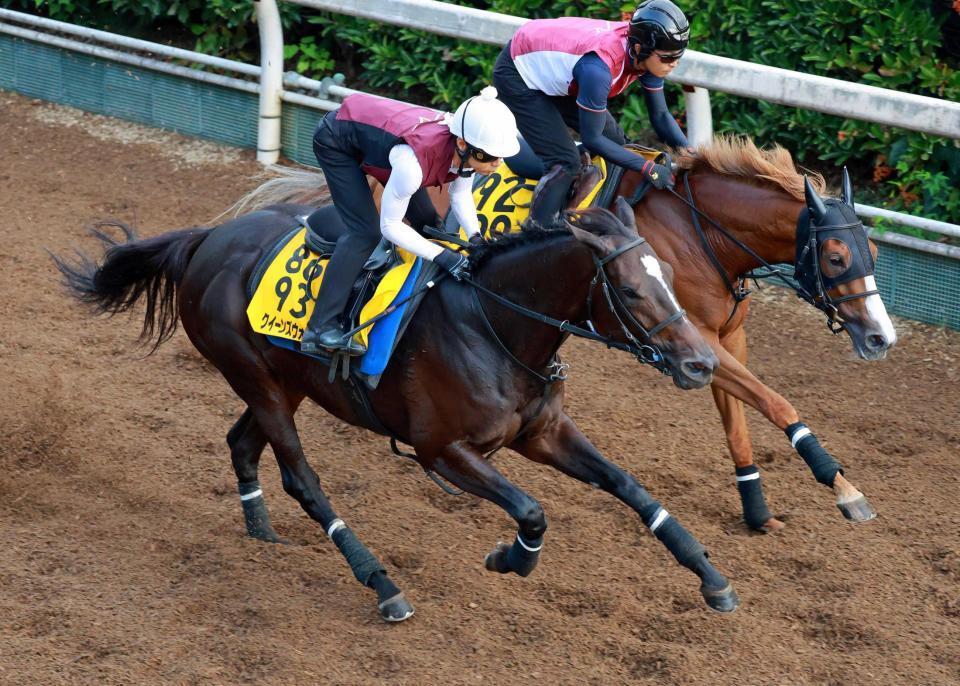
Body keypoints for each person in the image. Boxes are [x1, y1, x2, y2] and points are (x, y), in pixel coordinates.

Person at [301, 87, 521, 356]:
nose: (497, 163)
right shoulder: (412, 165)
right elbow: (389, 226)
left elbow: (461, 195)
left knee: (430, 225)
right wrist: (442, 256)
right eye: (489, 156)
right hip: (339, 142)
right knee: (365, 234)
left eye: (501, 156)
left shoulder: (465, 147)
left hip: (386, 144)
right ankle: (320, 327)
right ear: (462, 145)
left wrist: (475, 236)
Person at [493, 0, 692, 225]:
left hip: (558, 71)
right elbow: (592, 138)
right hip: (518, 73)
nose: (673, 64)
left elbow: (661, 116)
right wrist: (647, 167)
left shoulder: (648, 55)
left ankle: (576, 200)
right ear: (638, 48)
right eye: (668, 58)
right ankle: (537, 232)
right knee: (566, 162)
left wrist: (691, 153)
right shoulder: (598, 70)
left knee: (617, 141)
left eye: (678, 56)